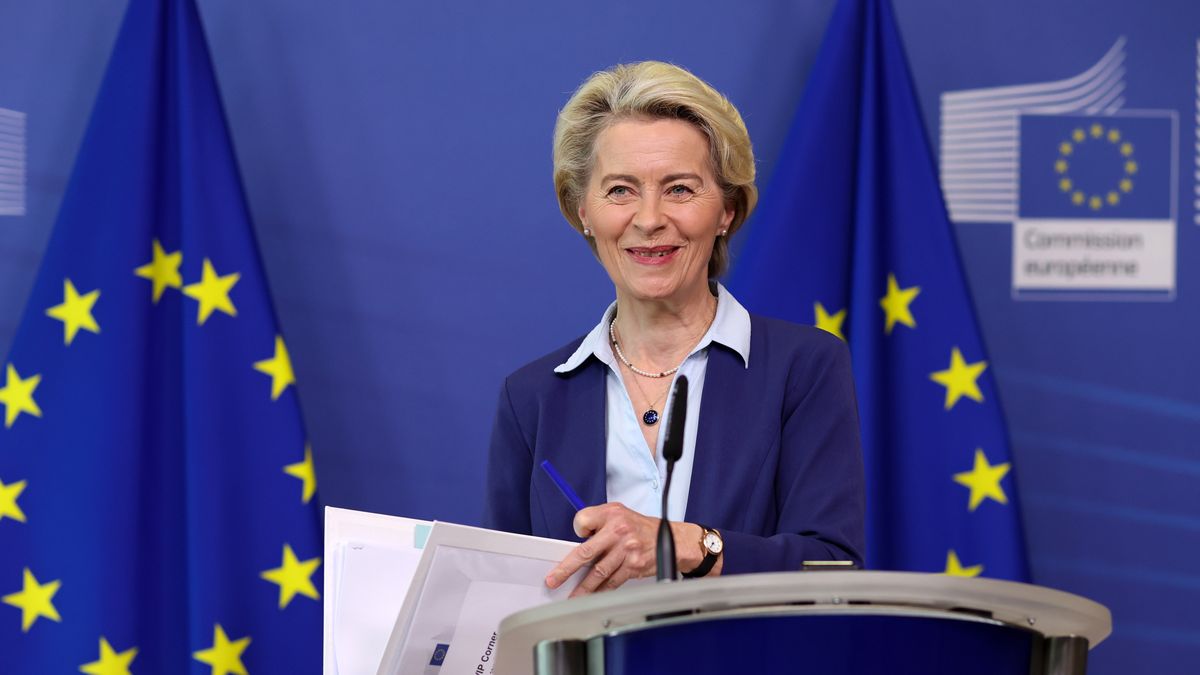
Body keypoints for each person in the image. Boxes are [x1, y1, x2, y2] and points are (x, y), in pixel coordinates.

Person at [483, 61, 864, 596]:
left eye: (680, 189)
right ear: (582, 210)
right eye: (620, 190)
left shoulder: (803, 368)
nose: (649, 218)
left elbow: (833, 569)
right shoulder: (532, 398)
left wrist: (687, 545)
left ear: (727, 209)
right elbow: (505, 593)